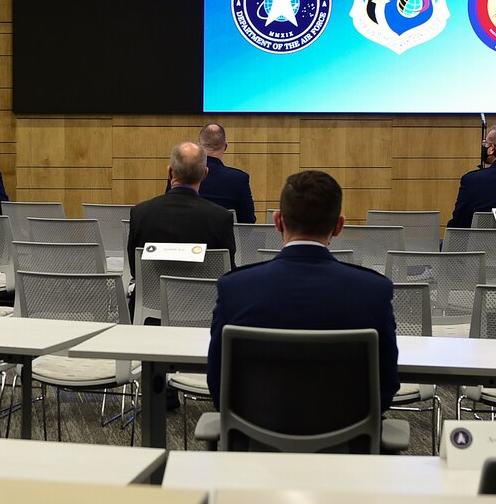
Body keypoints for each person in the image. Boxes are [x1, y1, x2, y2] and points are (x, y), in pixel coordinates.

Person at [207, 170, 399, 412]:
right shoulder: (374, 291)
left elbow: (218, 385)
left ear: (278, 221)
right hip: (348, 444)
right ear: (339, 226)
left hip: (254, 443)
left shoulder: (234, 288)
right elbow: (386, 386)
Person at [128, 141, 237, 285]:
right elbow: (226, 272)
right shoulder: (220, 218)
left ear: (170, 171)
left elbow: (135, 270)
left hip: (151, 305)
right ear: (205, 174)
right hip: (203, 304)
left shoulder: (140, 213)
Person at [166, 123, 256, 223]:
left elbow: (167, 210)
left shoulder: (180, 174)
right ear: (225, 146)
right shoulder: (239, 179)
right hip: (223, 238)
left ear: (199, 146)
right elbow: (248, 224)